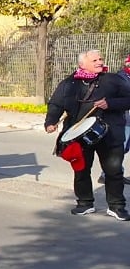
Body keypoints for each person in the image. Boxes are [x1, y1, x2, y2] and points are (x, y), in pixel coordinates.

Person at [45, 49, 130, 220]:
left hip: (110, 133)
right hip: (79, 135)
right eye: (95, 60)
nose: (100, 62)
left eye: (101, 59)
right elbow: (55, 104)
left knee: (114, 172)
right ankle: (84, 203)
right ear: (82, 64)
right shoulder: (69, 84)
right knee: (82, 170)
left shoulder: (113, 80)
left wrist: (110, 103)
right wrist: (50, 122)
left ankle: (117, 206)